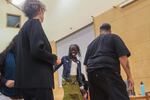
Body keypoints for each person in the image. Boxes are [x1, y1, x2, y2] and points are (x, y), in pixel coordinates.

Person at [15, 0, 60, 100]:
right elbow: (37, 50)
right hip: (39, 83)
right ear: (40, 10)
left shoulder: (22, 30)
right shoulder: (35, 23)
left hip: (27, 83)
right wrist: (54, 58)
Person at [84, 23, 134, 100]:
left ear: (100, 31)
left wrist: (91, 80)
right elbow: (123, 58)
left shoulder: (91, 44)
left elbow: (86, 65)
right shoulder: (114, 37)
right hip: (107, 71)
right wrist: (129, 76)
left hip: (92, 74)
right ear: (110, 30)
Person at [0, 35, 23, 100]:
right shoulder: (4, 55)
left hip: (21, 96)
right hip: (5, 95)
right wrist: (5, 81)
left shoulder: (26, 58)